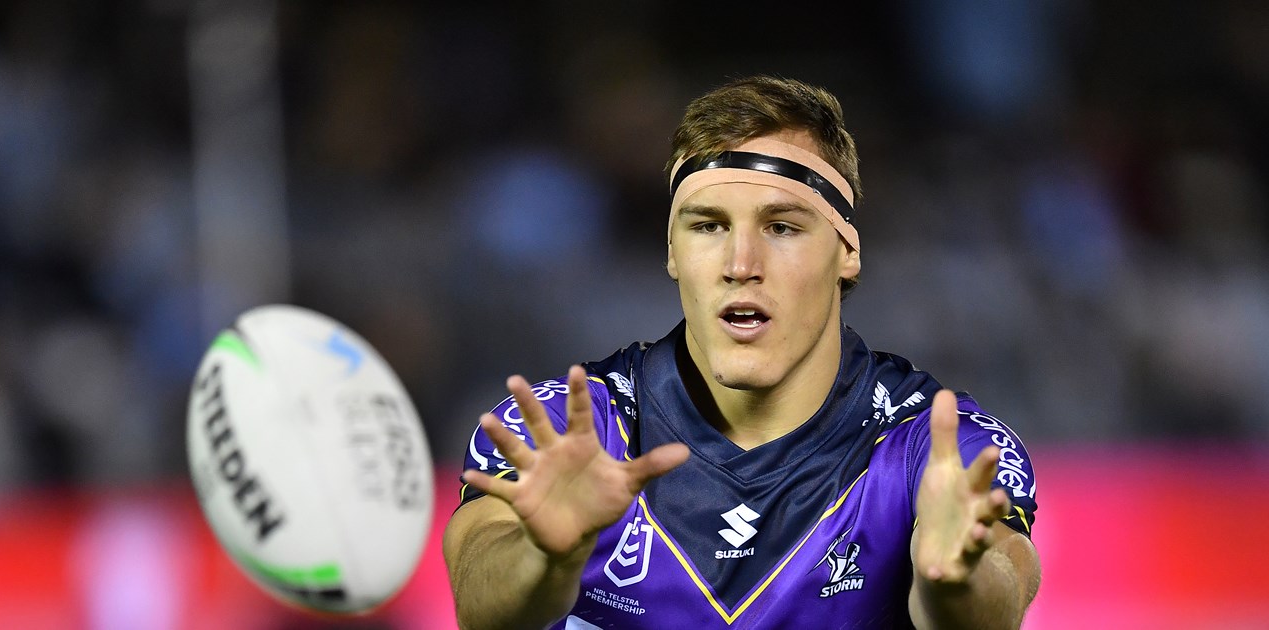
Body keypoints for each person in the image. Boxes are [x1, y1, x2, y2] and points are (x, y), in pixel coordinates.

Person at [443, 76, 1041, 629]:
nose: (740, 265)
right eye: (708, 226)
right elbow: (480, 604)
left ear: (846, 253)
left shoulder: (932, 445)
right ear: (672, 251)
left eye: (782, 227)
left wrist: (953, 582)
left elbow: (999, 591)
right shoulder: (569, 430)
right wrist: (544, 557)